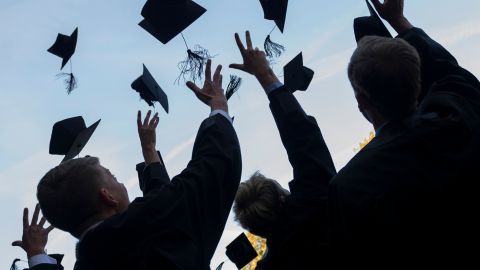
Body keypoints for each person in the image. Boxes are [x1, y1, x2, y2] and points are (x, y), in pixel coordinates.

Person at [15, 60, 242, 270]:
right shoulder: (165, 243)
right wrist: (219, 106)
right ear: (108, 196)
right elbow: (212, 169)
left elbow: (155, 211)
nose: (120, 182)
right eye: (112, 177)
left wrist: (36, 253)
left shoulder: (89, 263)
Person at [230, 31, 336, 269]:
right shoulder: (317, 201)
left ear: (253, 229)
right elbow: (302, 139)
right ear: (281, 196)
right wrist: (265, 75)